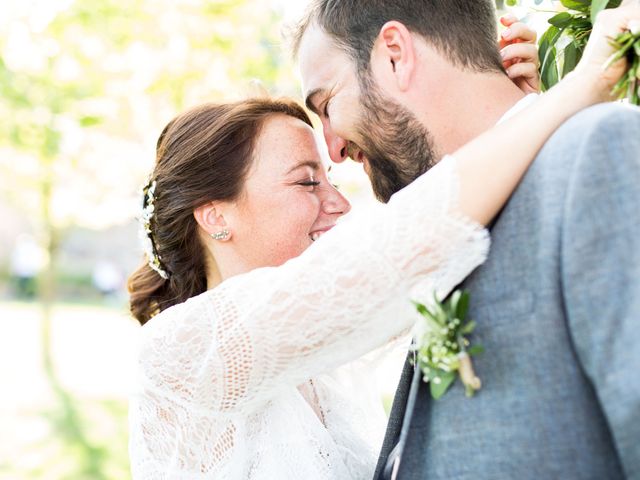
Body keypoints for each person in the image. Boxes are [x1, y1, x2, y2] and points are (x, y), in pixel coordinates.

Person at [126, 6, 638, 480]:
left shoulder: (332, 370)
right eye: (307, 181)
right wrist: (576, 92)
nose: (341, 199)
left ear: (397, 54)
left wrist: (526, 117)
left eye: (328, 106)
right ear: (215, 215)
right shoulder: (180, 354)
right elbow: (389, 250)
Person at [293, 1, 640, 479]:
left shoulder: (597, 156)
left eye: (327, 104)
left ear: (395, 54)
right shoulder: (437, 232)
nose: (333, 148)